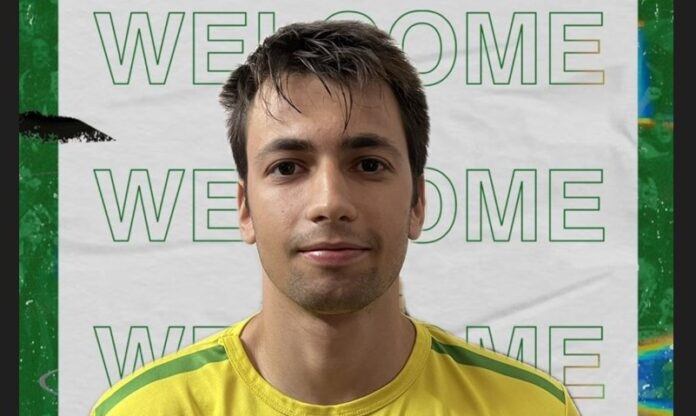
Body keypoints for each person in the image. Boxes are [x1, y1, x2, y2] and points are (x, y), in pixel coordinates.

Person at [91, 20, 581, 415]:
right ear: (245, 209)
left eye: (368, 165)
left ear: (417, 203)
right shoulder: (144, 411)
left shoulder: (531, 408)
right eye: (287, 168)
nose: (329, 202)